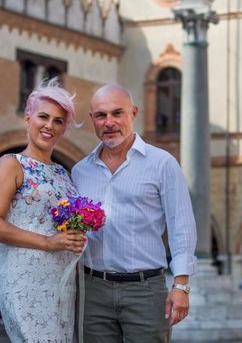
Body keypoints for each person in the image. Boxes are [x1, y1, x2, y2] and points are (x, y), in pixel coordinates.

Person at [72, 83, 197, 342]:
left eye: (117, 113)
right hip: (93, 290)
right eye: (101, 115)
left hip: (145, 290)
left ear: (134, 113)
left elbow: (181, 225)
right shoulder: (80, 171)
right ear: (92, 119)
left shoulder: (162, 163)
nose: (109, 122)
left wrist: (181, 285)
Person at [0, 79, 86, 342]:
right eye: (43, 117)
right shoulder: (11, 164)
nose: (50, 125)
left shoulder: (64, 173)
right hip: (26, 280)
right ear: (28, 118)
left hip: (62, 283)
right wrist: (48, 242)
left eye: (58, 121)